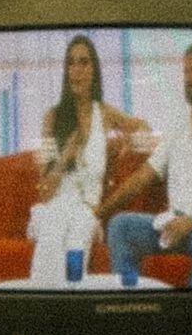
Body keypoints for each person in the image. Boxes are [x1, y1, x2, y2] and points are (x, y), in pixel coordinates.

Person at [105, 40, 192, 290]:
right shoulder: (177, 126)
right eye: (185, 72)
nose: (188, 79)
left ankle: (188, 313)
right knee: (119, 226)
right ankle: (133, 304)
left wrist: (190, 222)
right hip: (171, 226)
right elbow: (143, 177)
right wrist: (101, 210)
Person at [26, 35, 147, 280]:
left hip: (86, 212)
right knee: (54, 224)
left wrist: (129, 139)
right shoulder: (51, 118)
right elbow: (45, 192)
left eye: (84, 62)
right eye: (71, 63)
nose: (77, 70)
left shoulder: (105, 113)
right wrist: (64, 158)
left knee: (80, 226)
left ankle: (69, 297)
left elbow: (143, 127)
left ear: (94, 69)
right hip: (54, 210)